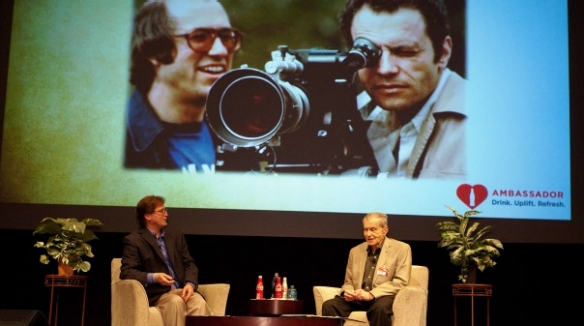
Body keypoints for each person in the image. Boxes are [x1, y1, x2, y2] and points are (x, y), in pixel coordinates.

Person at [340, 0, 466, 179]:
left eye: (405, 52)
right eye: (368, 53)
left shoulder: (488, 125)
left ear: (443, 53)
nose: (385, 69)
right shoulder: (353, 117)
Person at [124, 0, 242, 172]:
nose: (221, 51)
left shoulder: (243, 133)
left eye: (226, 37)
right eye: (200, 37)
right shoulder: (113, 141)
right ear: (154, 49)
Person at [120, 195, 208, 326]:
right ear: (148, 216)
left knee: (198, 301)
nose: (166, 214)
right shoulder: (134, 240)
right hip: (157, 294)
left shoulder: (175, 236)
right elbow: (127, 272)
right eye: (161, 211)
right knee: (175, 302)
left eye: (166, 210)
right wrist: (155, 277)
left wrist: (190, 284)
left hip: (181, 289)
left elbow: (189, 263)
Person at [322, 212, 412, 326]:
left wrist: (372, 294)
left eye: (373, 229)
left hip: (381, 296)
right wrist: (348, 292)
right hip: (358, 298)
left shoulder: (401, 249)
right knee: (329, 305)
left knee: (381, 308)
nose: (368, 234)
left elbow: (401, 281)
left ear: (385, 230)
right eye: (366, 230)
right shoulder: (355, 251)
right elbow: (348, 281)